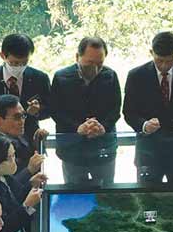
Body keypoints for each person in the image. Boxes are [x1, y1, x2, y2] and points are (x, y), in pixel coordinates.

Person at [123, 31, 173, 184]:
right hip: (149, 150)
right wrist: (144, 125)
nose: (164, 66)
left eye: (169, 61)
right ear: (151, 53)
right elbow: (129, 112)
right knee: (147, 200)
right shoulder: (136, 76)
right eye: (159, 60)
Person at [51, 36, 122, 185]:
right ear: (77, 57)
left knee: (107, 197)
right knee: (74, 196)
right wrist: (78, 127)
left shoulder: (110, 76)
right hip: (73, 150)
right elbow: (57, 111)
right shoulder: (61, 77)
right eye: (89, 63)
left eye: (100, 64)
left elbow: (115, 109)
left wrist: (102, 126)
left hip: (103, 148)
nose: (95, 69)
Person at [0, 33, 52, 141]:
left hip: (29, 140)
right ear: (3, 56)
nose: (19, 67)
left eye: (24, 63)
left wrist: (36, 111)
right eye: (14, 63)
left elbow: (50, 109)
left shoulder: (40, 78)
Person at [0, 93, 48, 171]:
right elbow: (3, 182)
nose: (22, 121)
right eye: (17, 117)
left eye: (23, 115)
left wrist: (36, 143)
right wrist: (29, 171)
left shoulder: (16, 132)